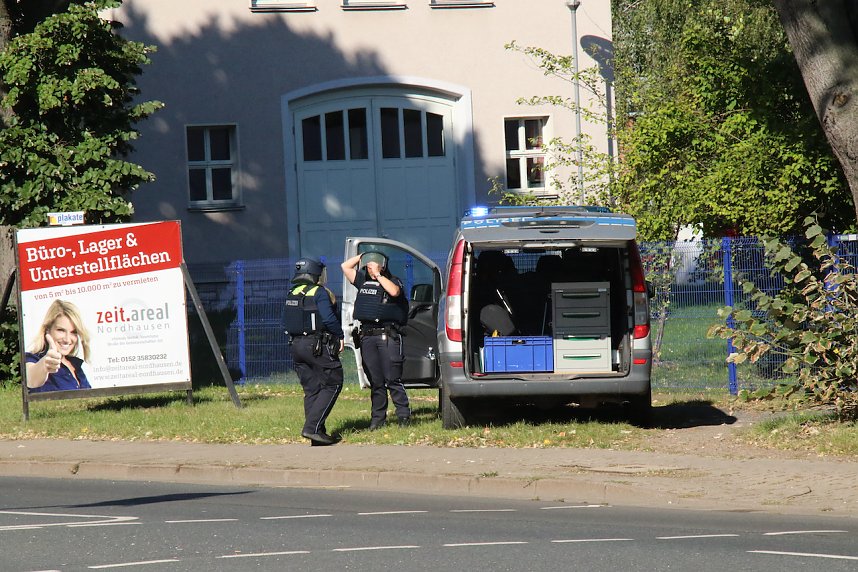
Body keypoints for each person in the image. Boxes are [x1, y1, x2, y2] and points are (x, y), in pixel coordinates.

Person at [341, 251, 411, 429]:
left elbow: (394, 292)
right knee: (376, 381)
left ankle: (403, 416)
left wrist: (379, 274)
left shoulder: (393, 281)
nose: (370, 269)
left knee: (392, 379)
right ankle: (377, 419)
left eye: (373, 265)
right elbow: (345, 267)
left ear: (382, 266)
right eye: (368, 267)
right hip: (367, 336)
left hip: (387, 335)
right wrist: (363, 255)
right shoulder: (363, 281)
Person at [283, 257, 345, 446]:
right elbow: (328, 318)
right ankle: (312, 428)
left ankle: (317, 434)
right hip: (315, 345)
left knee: (312, 389)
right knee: (333, 382)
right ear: (314, 274)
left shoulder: (293, 292)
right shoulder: (318, 292)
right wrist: (340, 335)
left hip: (296, 346)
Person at [26, 299, 92, 393]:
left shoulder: (75, 365)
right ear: (48, 330)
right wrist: (45, 364)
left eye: (74, 332)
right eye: (61, 330)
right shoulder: (33, 359)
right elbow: (31, 379)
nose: (67, 339)